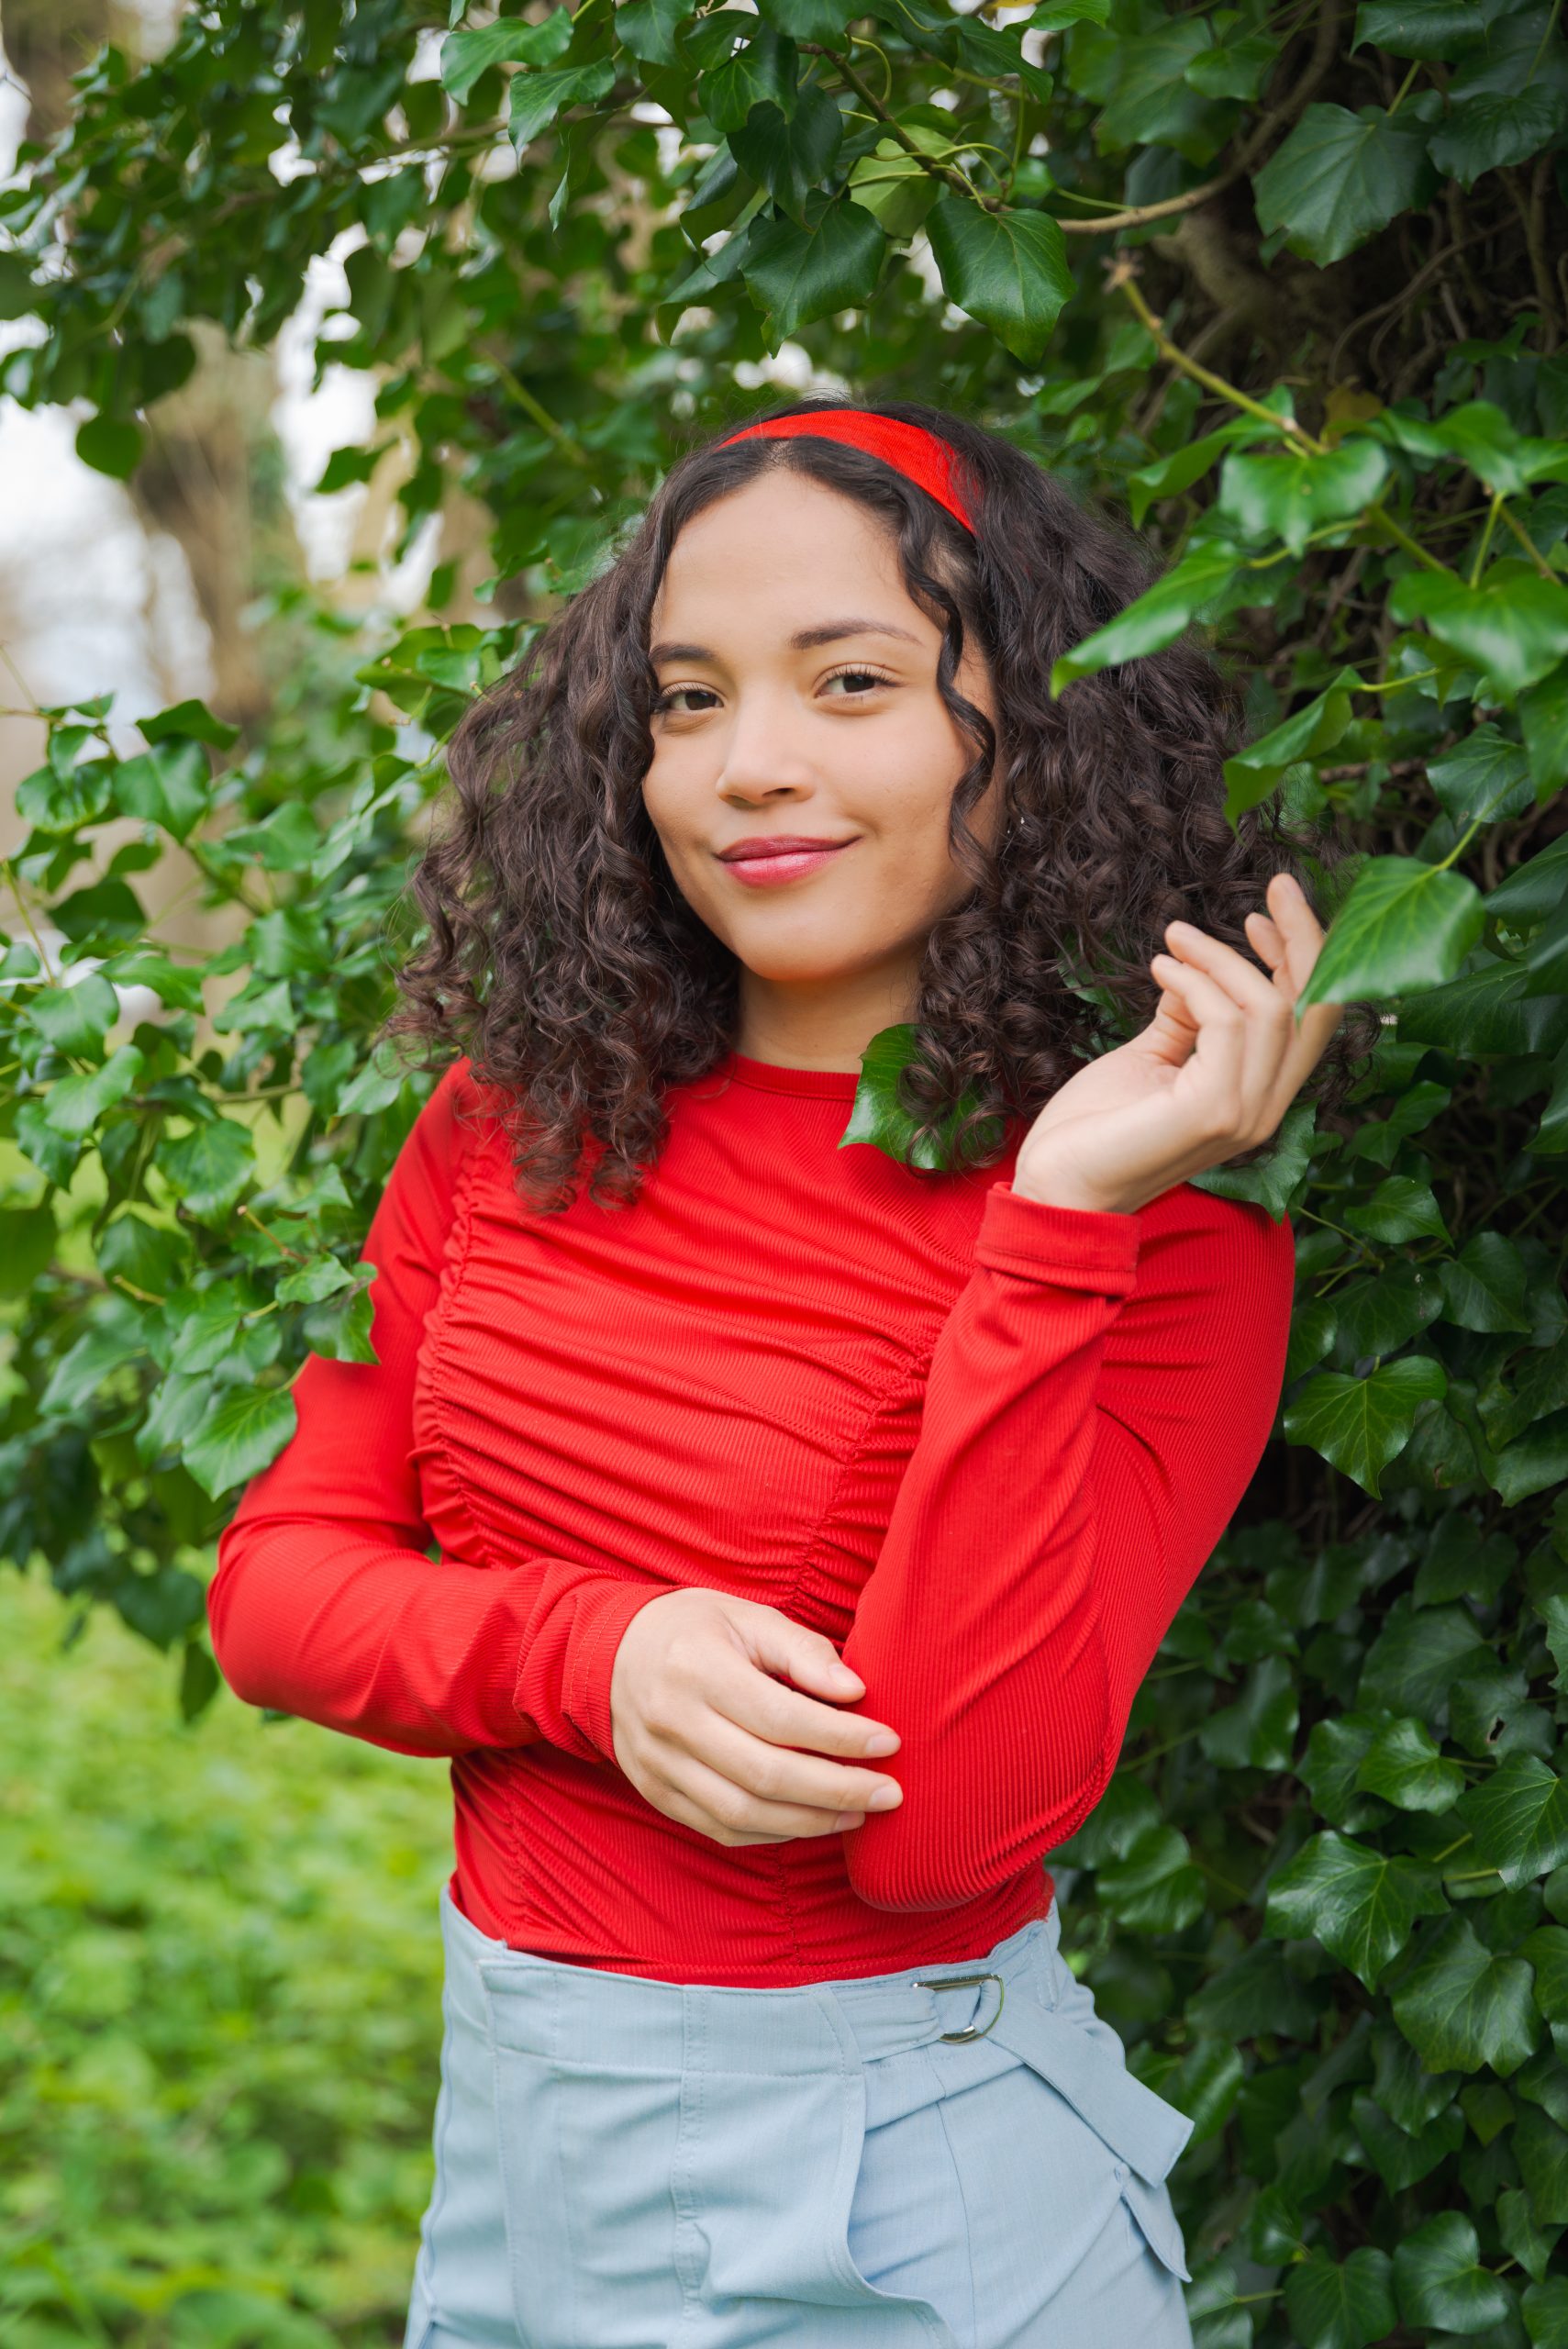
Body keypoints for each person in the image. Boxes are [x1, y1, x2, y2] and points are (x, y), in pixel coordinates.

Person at [207, 400, 1354, 2349]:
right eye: (687, 698)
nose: (749, 764)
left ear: (1038, 728)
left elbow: (935, 1829)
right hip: (514, 2174)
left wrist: (1058, 1214)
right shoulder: (510, 1121)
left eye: (852, 680)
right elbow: (275, 1589)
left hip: (907, 2206)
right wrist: (594, 1656)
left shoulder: (1158, 1233)